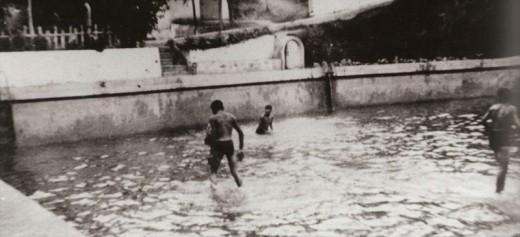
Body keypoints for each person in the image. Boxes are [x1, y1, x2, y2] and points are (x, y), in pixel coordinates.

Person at [479, 88, 520, 193]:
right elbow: (518, 124)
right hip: (503, 137)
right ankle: (499, 192)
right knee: (503, 167)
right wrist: (515, 130)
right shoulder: (511, 109)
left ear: (499, 97)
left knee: (500, 163)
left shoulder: (493, 108)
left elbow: (482, 121)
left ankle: (499, 189)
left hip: (493, 137)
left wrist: (490, 129)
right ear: (510, 97)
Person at [206, 100, 244, 187]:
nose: (212, 112)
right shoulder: (231, 117)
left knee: (213, 172)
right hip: (230, 144)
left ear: (214, 109)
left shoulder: (213, 118)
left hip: (219, 144)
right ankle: (242, 189)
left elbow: (214, 136)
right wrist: (241, 149)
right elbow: (241, 133)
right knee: (234, 172)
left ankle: (214, 192)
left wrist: (211, 152)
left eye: (212, 110)